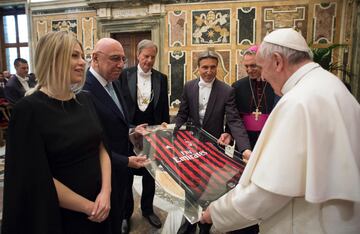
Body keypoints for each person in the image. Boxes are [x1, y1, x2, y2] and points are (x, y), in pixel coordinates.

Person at [201, 28, 360, 234]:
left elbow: (268, 192)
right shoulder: (331, 84)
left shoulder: (298, 101)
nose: (263, 77)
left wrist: (216, 213)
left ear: (277, 61)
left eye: (261, 67)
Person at [2, 31, 113, 234]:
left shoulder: (85, 100)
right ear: (52, 59)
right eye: (73, 56)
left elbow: (101, 148)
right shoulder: (28, 110)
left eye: (81, 56)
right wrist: (89, 207)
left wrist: (106, 192)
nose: (82, 62)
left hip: (100, 205)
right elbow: (34, 178)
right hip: (61, 216)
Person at [175, 49, 251, 234]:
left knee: (211, 189)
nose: (209, 71)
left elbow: (233, 120)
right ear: (198, 68)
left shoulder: (226, 90)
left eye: (213, 67)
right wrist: (173, 132)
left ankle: (205, 226)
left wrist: (246, 149)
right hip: (192, 147)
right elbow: (182, 114)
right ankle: (188, 225)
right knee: (191, 187)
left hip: (215, 149)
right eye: (205, 67)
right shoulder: (189, 87)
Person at [83, 37, 148, 234]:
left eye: (122, 59)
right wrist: (125, 161)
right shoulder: (84, 90)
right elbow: (89, 145)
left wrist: (132, 129)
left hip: (120, 167)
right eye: (114, 59)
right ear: (95, 58)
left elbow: (117, 121)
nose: (121, 65)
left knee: (119, 211)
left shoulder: (114, 82)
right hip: (101, 176)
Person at [119, 39, 168, 232]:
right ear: (137, 55)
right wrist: (130, 129)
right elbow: (120, 106)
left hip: (151, 134)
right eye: (145, 56)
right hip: (129, 132)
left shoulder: (161, 78)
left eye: (152, 57)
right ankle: (125, 214)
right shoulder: (124, 75)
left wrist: (163, 125)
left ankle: (147, 209)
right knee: (127, 175)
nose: (149, 60)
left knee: (150, 174)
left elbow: (163, 106)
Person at [232, 45, 275, 151]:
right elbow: (233, 117)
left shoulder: (275, 84)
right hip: (245, 140)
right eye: (246, 66)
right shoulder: (238, 86)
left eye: (253, 66)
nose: (249, 70)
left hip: (270, 139)